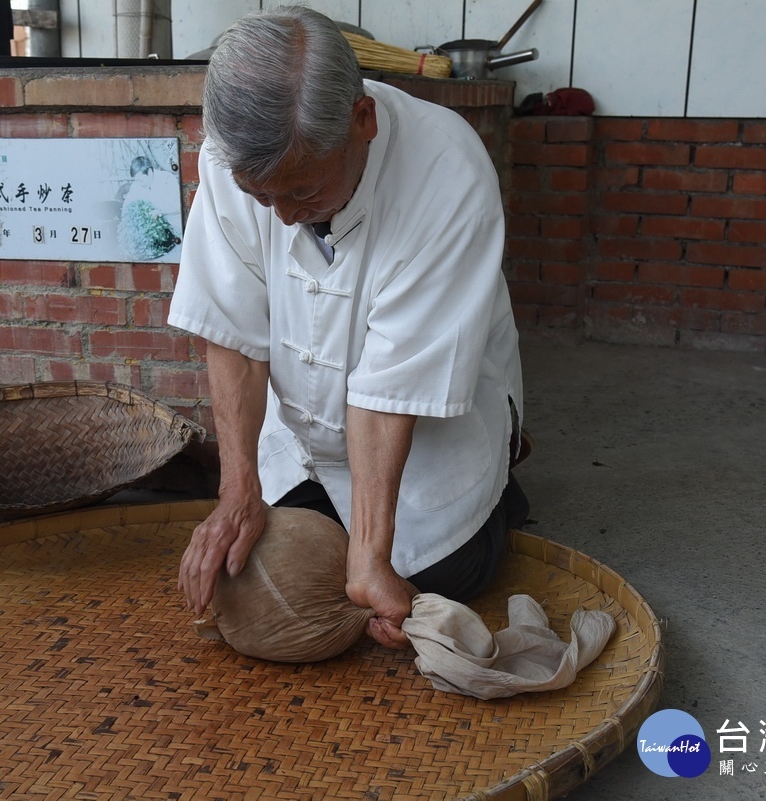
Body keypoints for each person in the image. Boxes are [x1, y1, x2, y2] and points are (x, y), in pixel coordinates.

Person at [168, 5, 527, 650]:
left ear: (362, 121)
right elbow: (233, 331)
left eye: (302, 192)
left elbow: (392, 387)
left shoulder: (447, 172)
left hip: (425, 428)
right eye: (262, 198)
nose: (281, 219)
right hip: (303, 426)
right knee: (256, 575)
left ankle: (501, 491)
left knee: (442, 572)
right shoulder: (232, 156)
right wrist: (238, 488)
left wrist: (369, 559)